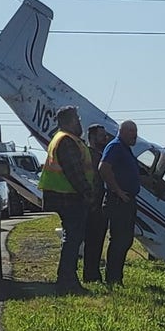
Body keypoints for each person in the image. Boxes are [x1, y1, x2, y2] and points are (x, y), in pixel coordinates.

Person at [38, 106, 96, 293]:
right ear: (70, 121)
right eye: (77, 119)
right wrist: (87, 193)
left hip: (66, 196)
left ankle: (67, 279)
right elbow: (74, 172)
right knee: (73, 239)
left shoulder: (64, 139)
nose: (80, 123)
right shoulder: (66, 141)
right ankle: (67, 280)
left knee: (72, 238)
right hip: (68, 197)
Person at [98, 120, 141, 286]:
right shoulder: (115, 146)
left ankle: (117, 277)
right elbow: (104, 168)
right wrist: (118, 191)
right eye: (131, 131)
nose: (134, 135)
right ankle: (112, 278)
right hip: (118, 201)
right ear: (122, 131)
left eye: (135, 132)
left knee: (125, 240)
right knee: (118, 240)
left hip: (127, 200)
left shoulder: (126, 149)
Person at [82, 124, 110, 283]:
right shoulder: (89, 155)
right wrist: (91, 202)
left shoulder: (100, 154)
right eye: (102, 136)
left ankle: (93, 273)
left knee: (98, 240)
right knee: (92, 240)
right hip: (92, 205)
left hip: (99, 203)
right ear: (92, 138)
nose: (105, 139)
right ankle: (90, 275)